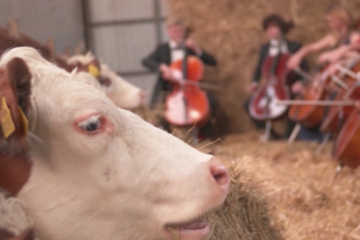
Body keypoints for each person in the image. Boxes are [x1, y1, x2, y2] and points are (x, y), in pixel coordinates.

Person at [142, 16, 217, 139]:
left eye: (181, 31)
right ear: (169, 32)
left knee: (212, 102)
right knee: (158, 107)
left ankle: (203, 136)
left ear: (184, 32)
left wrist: (197, 49)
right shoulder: (162, 49)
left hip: (192, 90)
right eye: (175, 31)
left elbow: (213, 62)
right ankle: (165, 136)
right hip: (168, 89)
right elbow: (146, 61)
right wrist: (162, 67)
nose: (178, 34)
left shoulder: (191, 49)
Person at [244, 14, 308, 139]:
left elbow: (304, 69)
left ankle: (288, 136)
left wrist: (300, 82)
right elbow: (259, 68)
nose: (270, 31)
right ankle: (271, 135)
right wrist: (254, 83)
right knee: (248, 105)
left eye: (273, 27)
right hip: (270, 86)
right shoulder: (264, 48)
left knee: (295, 102)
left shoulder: (295, 46)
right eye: (267, 28)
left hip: (289, 86)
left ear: (281, 28)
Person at [288, 3, 360, 88]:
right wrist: (299, 55)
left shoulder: (353, 35)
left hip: (348, 80)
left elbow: (356, 56)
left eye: (332, 20)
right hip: (336, 79)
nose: (330, 24)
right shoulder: (333, 37)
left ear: (341, 18)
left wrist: (342, 51)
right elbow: (311, 47)